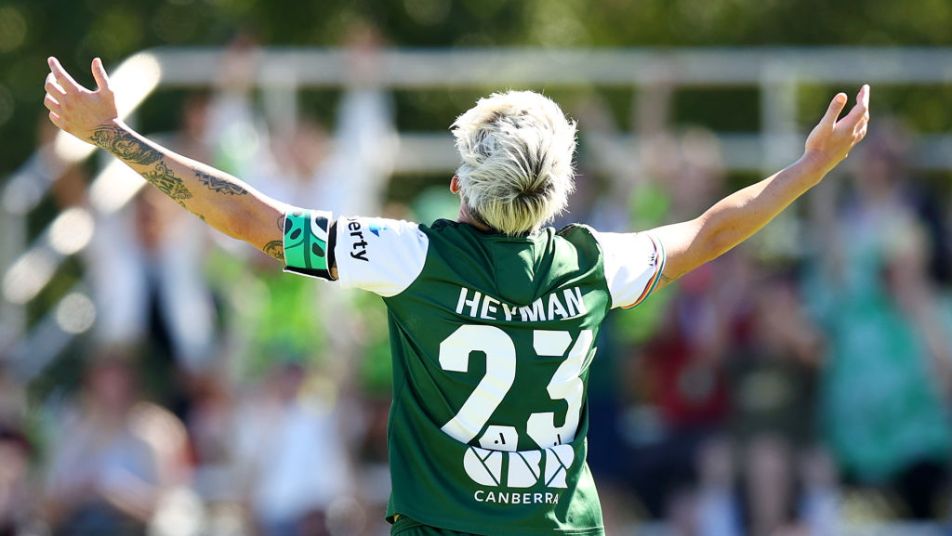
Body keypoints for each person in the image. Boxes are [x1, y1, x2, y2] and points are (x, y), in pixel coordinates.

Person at [41, 56, 869, 536]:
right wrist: (809, 168)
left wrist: (110, 135)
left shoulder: (410, 256)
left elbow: (252, 219)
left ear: (456, 187)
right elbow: (713, 231)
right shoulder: (593, 265)